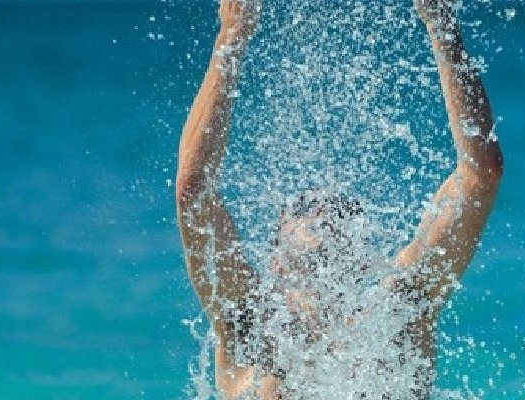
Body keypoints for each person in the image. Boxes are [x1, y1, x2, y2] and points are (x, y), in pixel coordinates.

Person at [174, 0, 502, 398]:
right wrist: (231, 35)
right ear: (276, 256)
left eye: (345, 211)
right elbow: (193, 190)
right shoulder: (250, 327)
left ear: (362, 255)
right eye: (304, 208)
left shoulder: (399, 313)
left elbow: (480, 175)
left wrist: (441, 26)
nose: (324, 209)